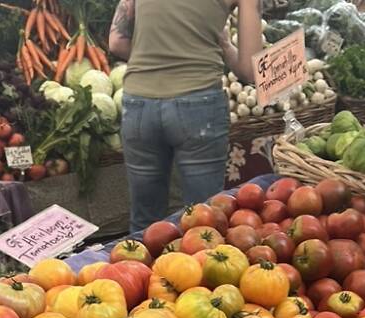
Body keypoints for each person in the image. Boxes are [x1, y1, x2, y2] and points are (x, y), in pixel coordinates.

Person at [109, 0, 263, 233]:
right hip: (198, 105)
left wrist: (159, 61)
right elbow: (250, 70)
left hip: (139, 104)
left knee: (145, 226)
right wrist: (224, 44)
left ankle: (139, 268)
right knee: (203, 223)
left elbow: (117, 43)